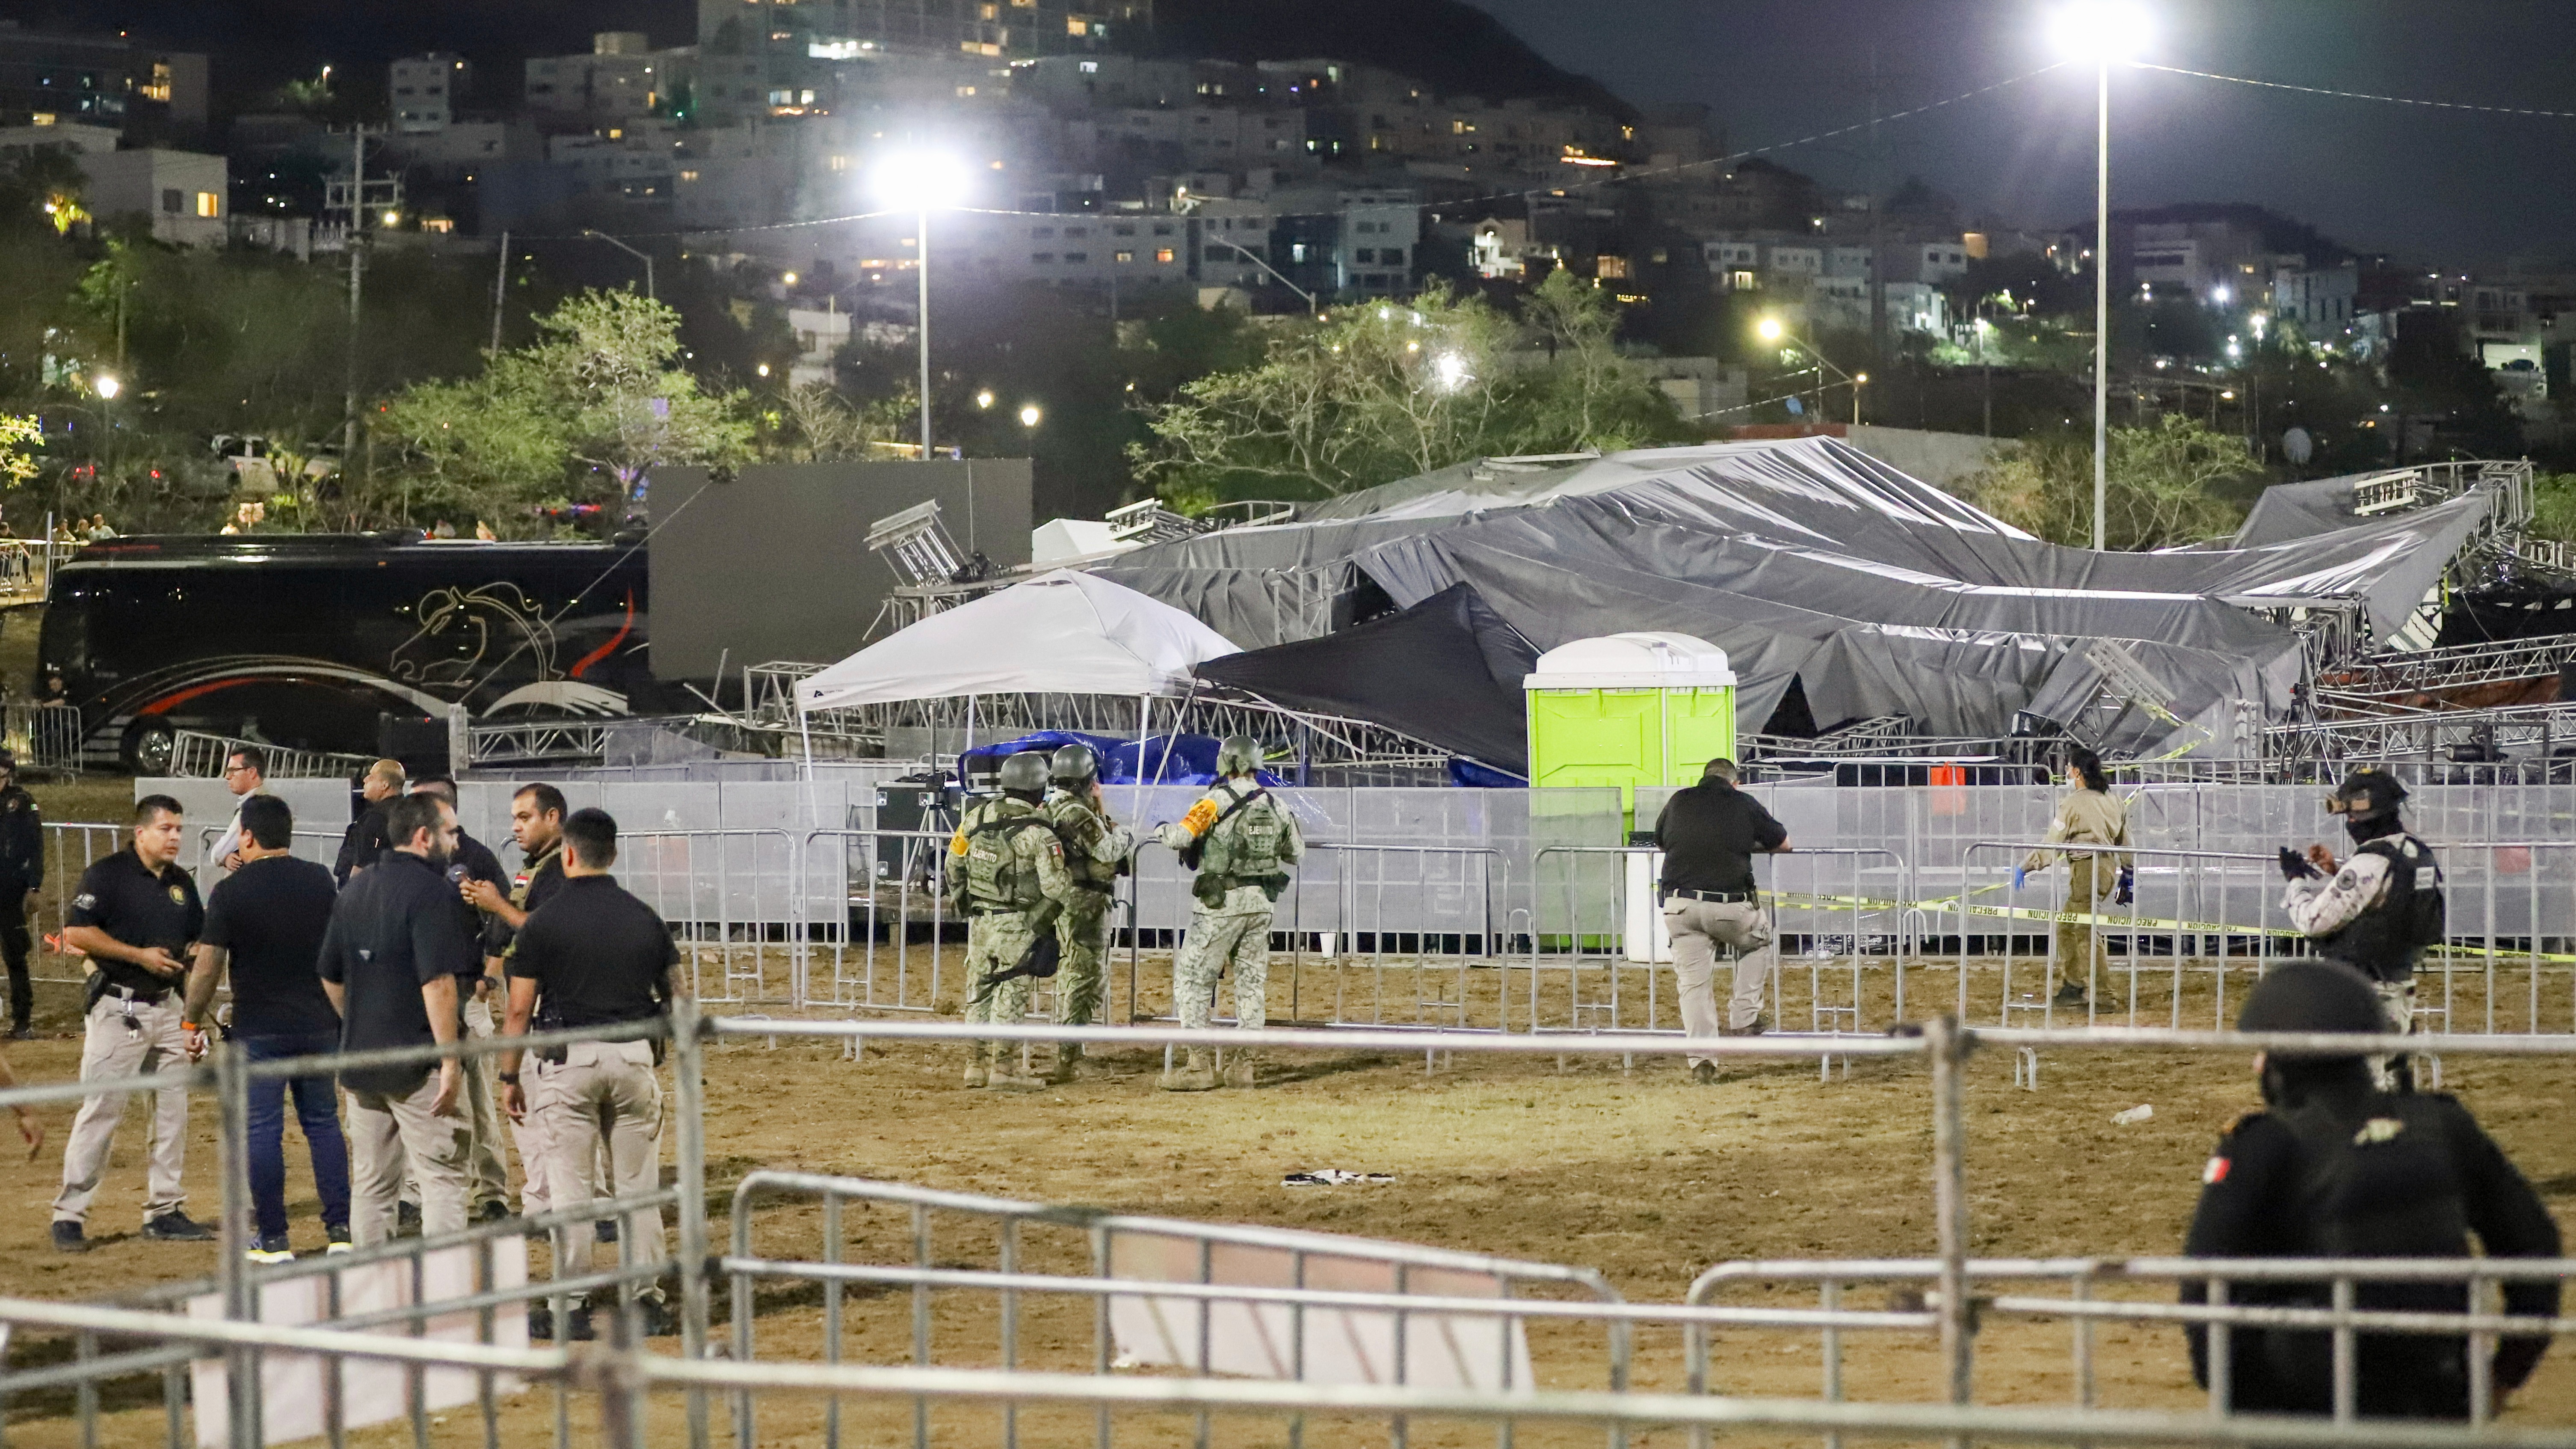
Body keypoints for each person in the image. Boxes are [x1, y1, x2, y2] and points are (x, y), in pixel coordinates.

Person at [2181, 960, 2559, 1419]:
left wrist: (2245, 1401)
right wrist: (2504, 1375)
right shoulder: (2443, 1125)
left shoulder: (2262, 1146)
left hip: (2307, 1409)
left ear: (2278, 1063)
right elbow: (2536, 1246)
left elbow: (2204, 1287)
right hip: (2436, 1400)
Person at [498, 808, 686, 1340]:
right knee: (638, 1189)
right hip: (632, 1059)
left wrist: (509, 1076)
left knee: (571, 1192)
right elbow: (679, 999)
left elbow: (519, 1009)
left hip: (567, 1063)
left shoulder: (544, 922)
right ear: (614, 854)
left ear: (568, 854)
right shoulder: (645, 918)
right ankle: (645, 1301)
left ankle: (570, 1305)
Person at [180, 795, 350, 1261]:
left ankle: (274, 1239)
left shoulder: (230, 891)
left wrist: (191, 1019)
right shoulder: (319, 880)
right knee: (324, 1125)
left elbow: (208, 967)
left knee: (262, 1131)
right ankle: (340, 1232)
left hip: (259, 1030)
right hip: (319, 1024)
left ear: (248, 836)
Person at [50, 796, 211, 1251]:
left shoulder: (181, 882)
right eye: (166, 829)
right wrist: (138, 956)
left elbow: (195, 941)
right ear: (141, 833)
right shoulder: (107, 875)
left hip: (169, 1009)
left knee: (172, 1114)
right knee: (102, 1110)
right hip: (118, 1010)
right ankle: (69, 1215)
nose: (175, 837)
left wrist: (192, 1015)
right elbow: (76, 932)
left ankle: (165, 1210)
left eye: (179, 829)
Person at [316, 791, 471, 1248]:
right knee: (442, 1179)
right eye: (450, 833)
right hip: (419, 1064)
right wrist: (450, 1060)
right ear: (424, 836)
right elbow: (438, 982)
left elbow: (330, 976)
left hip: (361, 1060)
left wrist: (359, 1022)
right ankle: (446, 1285)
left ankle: (372, 1286)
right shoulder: (434, 892)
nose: (456, 843)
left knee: (372, 1184)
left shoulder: (355, 889)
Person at [2280, 769, 2445, 1092]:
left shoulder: (2370, 862)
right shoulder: (2415, 852)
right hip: (2399, 986)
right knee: (2395, 1085)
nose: (2350, 823)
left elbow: (2314, 921)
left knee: (2361, 1091)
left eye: (2352, 816)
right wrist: (2337, 871)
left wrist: (2295, 880)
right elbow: (2385, 898)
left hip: (2364, 993)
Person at [1154, 735, 1303, 1091]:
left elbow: (1181, 838)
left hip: (1220, 906)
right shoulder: (1276, 804)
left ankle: (1199, 1065)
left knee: (1193, 981)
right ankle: (1243, 1067)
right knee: (1251, 986)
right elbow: (1296, 853)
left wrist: (1160, 829)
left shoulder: (1214, 800)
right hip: (1261, 904)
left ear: (1229, 763)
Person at [463, 783, 576, 1221]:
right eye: (514, 818)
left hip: (547, 1006)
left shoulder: (560, 869)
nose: (516, 827)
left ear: (553, 817)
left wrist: (496, 904)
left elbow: (547, 933)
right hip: (534, 1002)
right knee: (539, 1114)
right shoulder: (536, 867)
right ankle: (555, 1201)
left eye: (525, 817)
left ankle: (551, 1204)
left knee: (542, 1111)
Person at [408, 776, 512, 1222]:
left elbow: (503, 911)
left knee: (480, 1099)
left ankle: (492, 1193)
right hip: (420, 997)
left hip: (467, 992)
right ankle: (413, 1193)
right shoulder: (411, 858)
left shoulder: (476, 856)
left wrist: (489, 977)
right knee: (419, 1097)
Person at [1650, 758, 1789, 1079]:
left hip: (1680, 907)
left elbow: (1660, 840)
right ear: (1735, 783)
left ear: (1704, 778)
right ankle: (1744, 1016)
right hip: (1729, 906)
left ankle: (1702, 1062)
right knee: (1758, 941)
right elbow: (1784, 843)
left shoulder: (1678, 800)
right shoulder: (1744, 803)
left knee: (1693, 985)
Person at [947, 751, 1078, 1090]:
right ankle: (1003, 1069)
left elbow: (953, 863)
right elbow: (1055, 888)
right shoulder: (1039, 832)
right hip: (1018, 924)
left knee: (979, 992)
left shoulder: (976, 817)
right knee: (1011, 991)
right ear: (1039, 788)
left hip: (981, 923)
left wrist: (966, 901)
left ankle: (974, 1066)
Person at [1040, 744, 1133, 1083]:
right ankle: (1068, 1053)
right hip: (1086, 903)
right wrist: (1124, 833)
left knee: (1072, 973)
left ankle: (1070, 1048)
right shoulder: (1076, 813)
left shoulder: (1054, 806)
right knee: (1086, 977)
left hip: (1070, 900)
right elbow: (1108, 849)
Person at [2021, 747, 2133, 1013]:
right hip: (2106, 871)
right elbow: (2126, 839)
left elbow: (2052, 843)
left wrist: (2025, 867)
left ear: (2078, 773)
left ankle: (2104, 996)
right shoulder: (2113, 800)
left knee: (2085, 932)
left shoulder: (2073, 804)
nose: (2067, 773)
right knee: (2066, 928)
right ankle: (2073, 985)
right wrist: (2128, 873)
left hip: (2086, 871)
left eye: (2069, 768)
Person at [0, 751, 43, 1040]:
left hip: (10, 889)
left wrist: (34, 886)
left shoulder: (22, 802)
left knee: (15, 954)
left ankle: (22, 1019)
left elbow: (36, 846)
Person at [201, 745, 272, 891]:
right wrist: (226, 858)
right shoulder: (269, 802)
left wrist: (223, 858)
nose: (227, 777)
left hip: (247, 887)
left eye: (233, 771)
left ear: (252, 772)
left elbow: (219, 852)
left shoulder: (251, 807)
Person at [335, 759, 406, 885]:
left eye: (372, 777)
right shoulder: (410, 813)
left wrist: (351, 894)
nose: (365, 780)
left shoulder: (376, 819)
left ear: (384, 785)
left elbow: (362, 869)